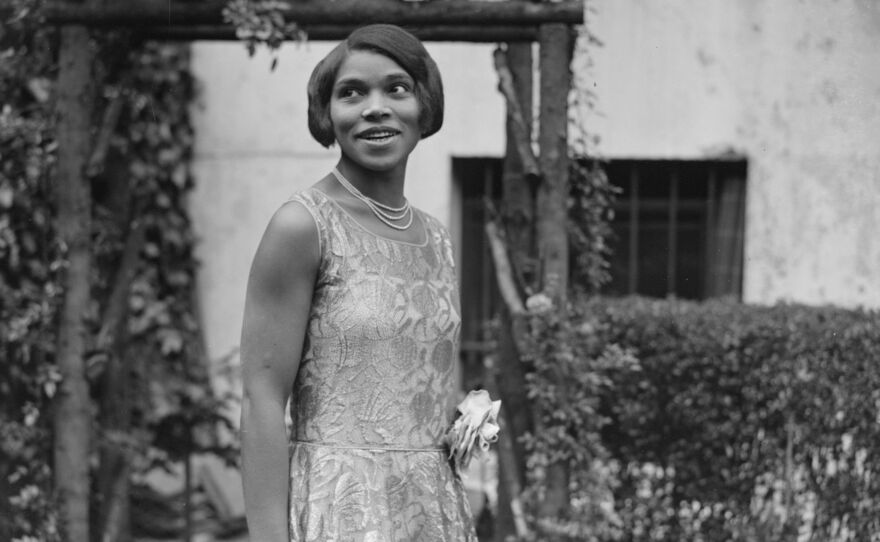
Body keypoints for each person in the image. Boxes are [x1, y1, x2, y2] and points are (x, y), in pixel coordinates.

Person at [239, 24, 477, 541]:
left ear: (425, 105)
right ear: (328, 115)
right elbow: (261, 397)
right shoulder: (302, 226)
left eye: (396, 88)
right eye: (352, 93)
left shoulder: (437, 239)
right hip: (338, 512)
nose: (375, 107)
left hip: (430, 512)